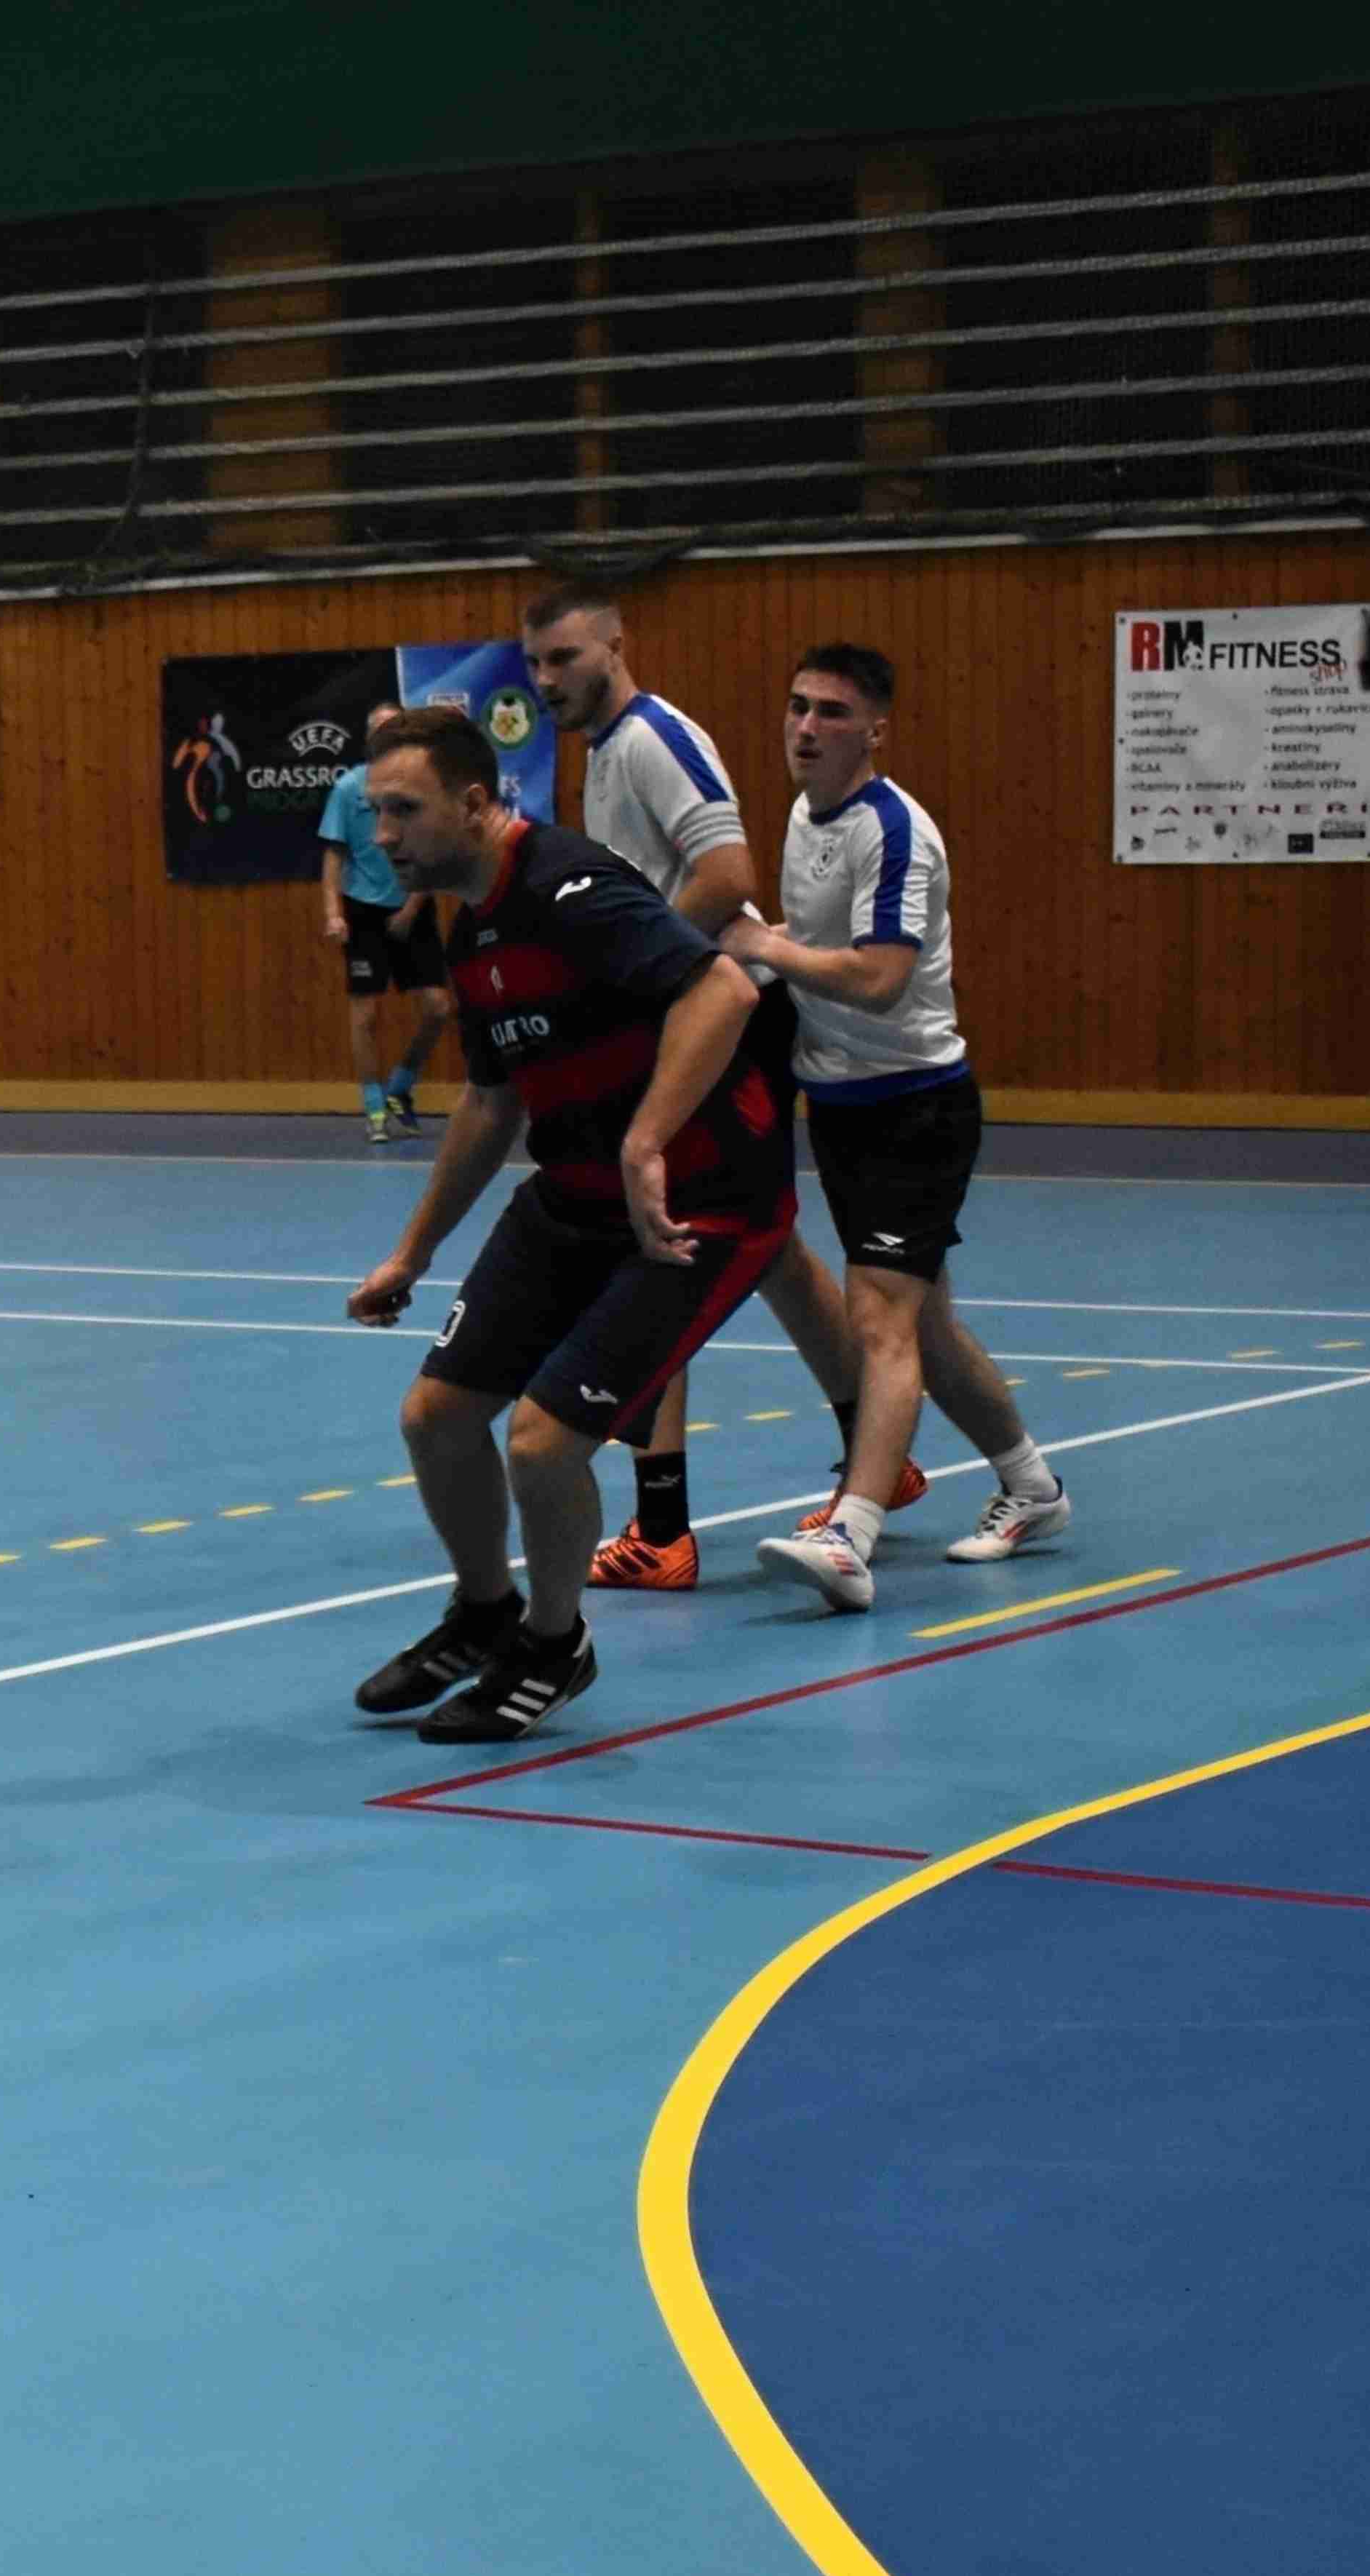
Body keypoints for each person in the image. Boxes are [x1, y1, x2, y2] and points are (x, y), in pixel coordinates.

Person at [340, 708, 794, 1742]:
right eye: (375, 813)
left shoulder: (568, 888)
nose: (385, 835)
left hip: (699, 1203)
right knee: (436, 1418)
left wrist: (646, 1142)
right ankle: (484, 1614)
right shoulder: (471, 928)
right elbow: (491, 1101)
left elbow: (724, 989)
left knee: (544, 1445)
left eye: (405, 811)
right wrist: (413, 1253)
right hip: (574, 1194)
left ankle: (554, 1646)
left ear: (473, 803)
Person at [521, 582, 899, 1591]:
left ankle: (663, 1528)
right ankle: (881, 1455)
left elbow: (728, 874)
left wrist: (639, 973)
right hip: (708, 1019)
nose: (548, 679)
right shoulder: (606, 751)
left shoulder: (652, 738)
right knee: (769, 1251)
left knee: (662, 1245)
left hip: (723, 1022)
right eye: (536, 664)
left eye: (565, 657)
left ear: (615, 646)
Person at [725, 646, 1074, 1610]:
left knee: (879, 1317)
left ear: (875, 730)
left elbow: (880, 978)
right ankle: (1033, 1487)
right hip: (837, 1103)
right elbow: (814, 949)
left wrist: (765, 944)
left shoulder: (896, 832)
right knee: (927, 1326)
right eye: (798, 706)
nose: (806, 727)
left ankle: (852, 1533)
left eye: (832, 713)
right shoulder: (805, 812)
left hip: (913, 1105)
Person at [316, 701, 450, 1142]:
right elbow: (334, 855)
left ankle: (400, 1089)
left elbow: (434, 852)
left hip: (413, 904)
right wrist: (334, 913)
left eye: (396, 729)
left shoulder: (423, 787)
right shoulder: (348, 789)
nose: (388, 737)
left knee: (438, 1007)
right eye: (381, 731)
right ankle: (374, 1107)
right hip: (363, 910)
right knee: (366, 1015)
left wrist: (411, 909)